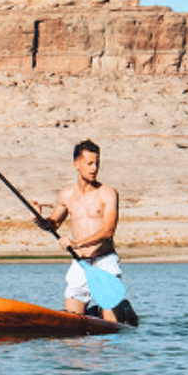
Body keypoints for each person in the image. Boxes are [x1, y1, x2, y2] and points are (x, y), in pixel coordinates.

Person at [36, 139, 138, 326]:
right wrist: (38, 218)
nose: (94, 168)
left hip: (104, 262)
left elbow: (108, 231)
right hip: (80, 264)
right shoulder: (66, 196)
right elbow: (53, 224)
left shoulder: (107, 193)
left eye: (97, 163)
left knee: (110, 326)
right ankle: (93, 314)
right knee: (71, 324)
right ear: (76, 164)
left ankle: (120, 311)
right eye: (89, 163)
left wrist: (77, 244)